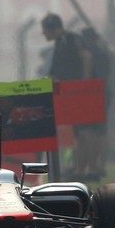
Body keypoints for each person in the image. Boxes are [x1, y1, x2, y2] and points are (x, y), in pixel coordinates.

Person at [41, 12, 92, 178]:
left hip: (74, 92)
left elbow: (86, 57)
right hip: (66, 92)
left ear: (52, 28)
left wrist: (83, 84)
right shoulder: (59, 43)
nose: (44, 34)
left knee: (82, 132)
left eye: (45, 30)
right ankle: (78, 168)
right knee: (76, 132)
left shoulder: (70, 39)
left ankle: (81, 168)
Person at [76, 27, 115, 182]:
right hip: (104, 92)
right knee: (101, 132)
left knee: (89, 131)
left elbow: (87, 75)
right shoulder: (104, 51)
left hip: (92, 93)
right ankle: (101, 166)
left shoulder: (89, 54)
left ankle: (92, 167)